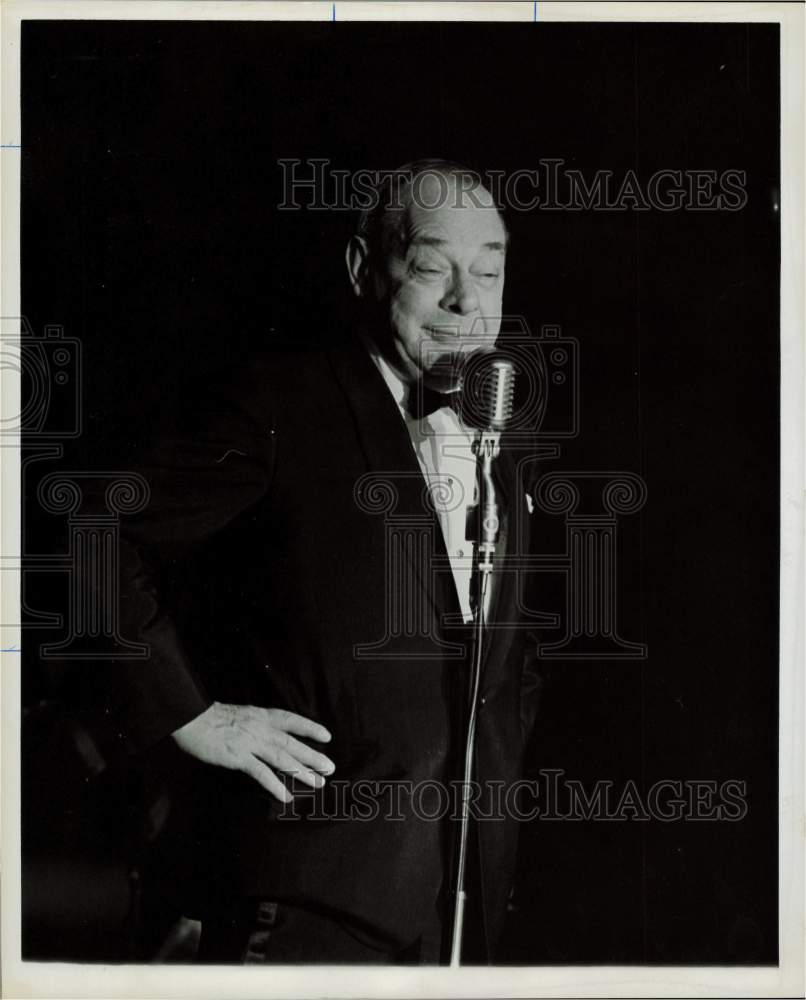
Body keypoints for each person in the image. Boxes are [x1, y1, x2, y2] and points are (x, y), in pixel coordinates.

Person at [104, 159, 542, 964]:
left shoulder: (496, 441)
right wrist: (190, 715)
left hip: (451, 914)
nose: (466, 302)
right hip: (304, 905)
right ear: (363, 268)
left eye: (488, 272)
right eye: (433, 267)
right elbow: (93, 528)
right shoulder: (282, 403)